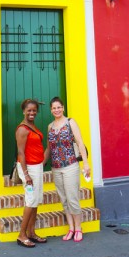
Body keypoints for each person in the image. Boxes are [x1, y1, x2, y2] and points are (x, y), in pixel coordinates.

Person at [46, 96, 90, 243]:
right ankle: (71, 228)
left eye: (59, 107)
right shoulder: (50, 126)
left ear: (63, 108)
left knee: (73, 198)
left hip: (71, 165)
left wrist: (86, 163)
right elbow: (49, 148)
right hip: (56, 167)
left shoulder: (70, 122)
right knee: (64, 200)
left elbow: (80, 142)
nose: (56, 110)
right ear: (51, 110)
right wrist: (41, 164)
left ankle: (78, 228)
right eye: (54, 108)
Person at [15, 98, 48, 247]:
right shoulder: (22, 128)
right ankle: (22, 235)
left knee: (35, 202)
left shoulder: (32, 126)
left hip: (37, 167)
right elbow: (21, 153)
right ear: (24, 111)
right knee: (30, 200)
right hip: (28, 169)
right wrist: (26, 174)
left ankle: (32, 233)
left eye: (34, 110)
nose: (32, 112)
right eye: (29, 110)